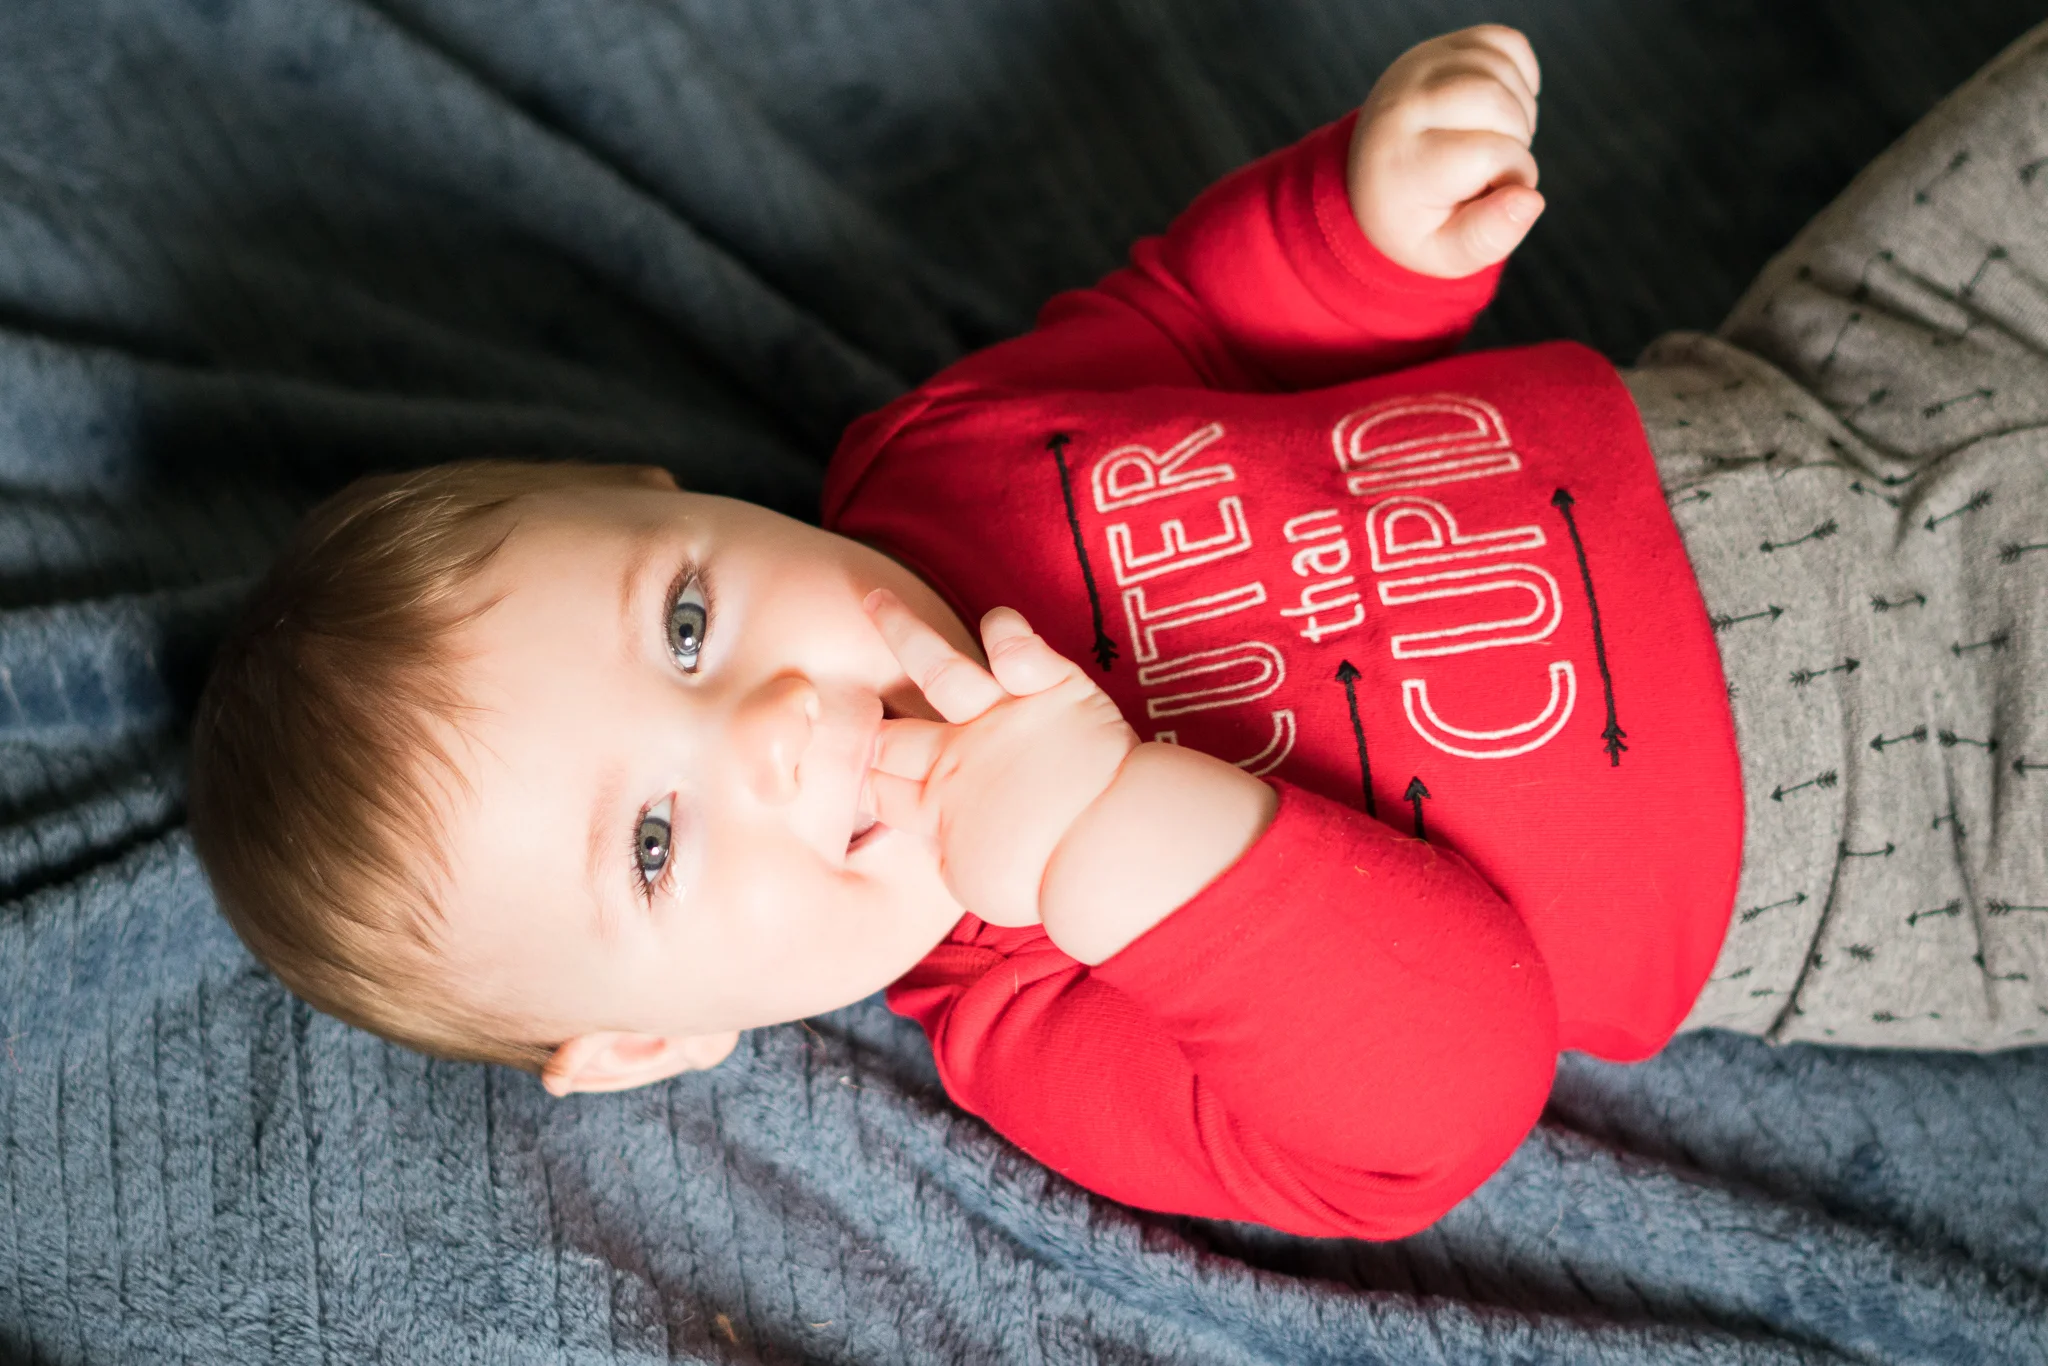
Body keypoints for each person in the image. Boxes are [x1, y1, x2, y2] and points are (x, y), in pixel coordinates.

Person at [187, 23, 2047, 1240]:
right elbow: (1444, 1098)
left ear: (668, 496)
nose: (766, 721)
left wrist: (1360, 232)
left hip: (1830, 365)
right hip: (1910, 800)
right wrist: (1109, 837)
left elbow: (1192, 325)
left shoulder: (930, 462)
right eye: (655, 844)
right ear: (652, 1040)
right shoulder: (1040, 1026)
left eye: (684, 618)